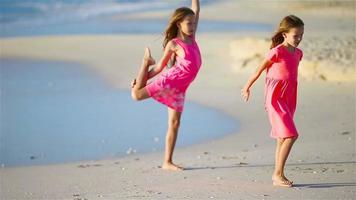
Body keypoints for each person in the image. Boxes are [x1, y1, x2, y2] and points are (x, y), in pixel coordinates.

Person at [131, 0, 201, 171]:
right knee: (136, 95)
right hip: (169, 82)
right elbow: (160, 68)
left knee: (175, 123)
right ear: (179, 24)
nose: (192, 26)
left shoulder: (192, 37)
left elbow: (196, 9)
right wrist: (144, 75)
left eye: (193, 23)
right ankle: (145, 62)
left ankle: (167, 162)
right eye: (188, 23)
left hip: (180, 90)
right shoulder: (175, 43)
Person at [241, 15, 304, 187]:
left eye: (301, 35)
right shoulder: (276, 51)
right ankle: (277, 174)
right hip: (275, 98)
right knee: (291, 135)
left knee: (282, 138)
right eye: (295, 35)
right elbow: (258, 70)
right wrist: (247, 87)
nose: (298, 39)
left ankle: (278, 174)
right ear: (284, 34)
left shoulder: (299, 53)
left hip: (290, 97)